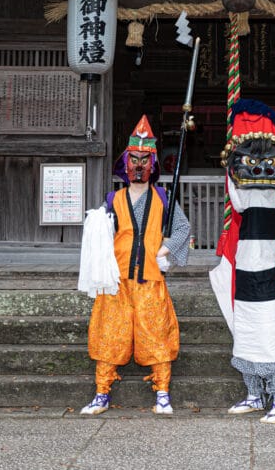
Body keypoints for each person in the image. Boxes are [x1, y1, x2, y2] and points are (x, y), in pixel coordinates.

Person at [79, 115, 190, 416]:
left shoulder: (164, 198)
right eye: (134, 160)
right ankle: (102, 393)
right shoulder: (113, 199)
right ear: (125, 164)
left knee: (156, 334)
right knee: (109, 335)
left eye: (145, 160)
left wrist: (165, 250)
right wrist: (96, 225)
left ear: (152, 164)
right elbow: (98, 235)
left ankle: (163, 393)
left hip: (150, 279)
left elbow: (182, 229)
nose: (139, 165)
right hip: (116, 280)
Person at [209, 100, 275, 424]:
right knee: (246, 336)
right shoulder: (245, 200)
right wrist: (232, 166)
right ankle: (254, 394)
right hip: (246, 278)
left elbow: (268, 181)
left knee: (270, 340)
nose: (261, 169)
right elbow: (236, 195)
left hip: (267, 279)